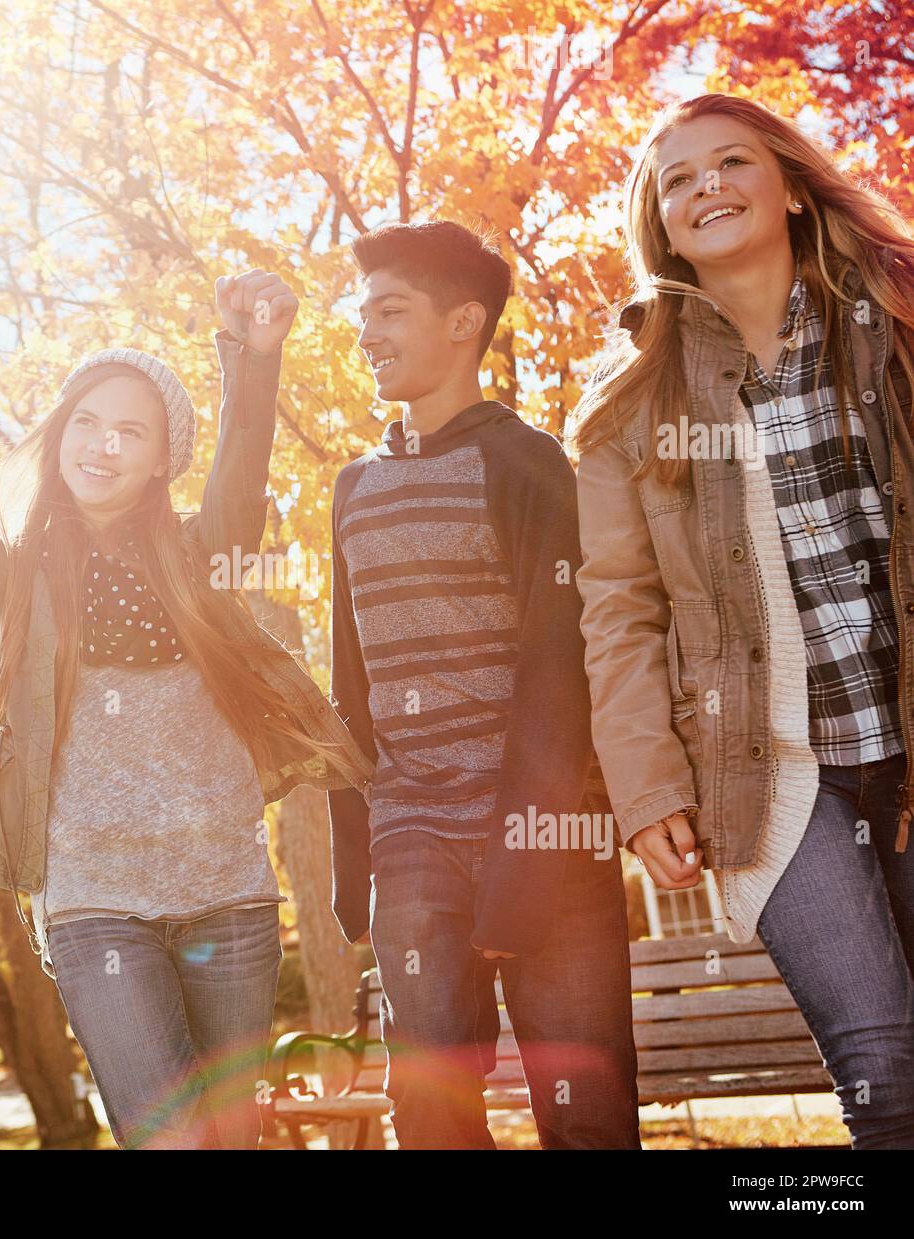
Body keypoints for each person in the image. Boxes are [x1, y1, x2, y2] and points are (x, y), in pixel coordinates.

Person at [0, 272, 374, 1149]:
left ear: (164, 457)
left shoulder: (202, 557)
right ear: (59, 437)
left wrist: (256, 356)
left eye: (131, 430)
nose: (103, 444)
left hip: (226, 891)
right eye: (87, 423)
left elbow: (243, 479)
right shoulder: (20, 582)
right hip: (94, 899)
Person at [572, 93, 914, 1149]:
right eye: (677, 180)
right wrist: (643, 790)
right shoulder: (628, 410)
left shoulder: (896, 329)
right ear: (660, 224)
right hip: (770, 775)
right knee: (883, 1066)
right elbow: (616, 610)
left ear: (793, 191)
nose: (706, 186)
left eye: (730, 162)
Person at [327, 220, 640, 1149]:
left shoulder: (525, 460)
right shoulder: (352, 486)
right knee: (429, 1116)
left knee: (586, 1114)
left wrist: (522, 857)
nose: (367, 332)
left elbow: (560, 667)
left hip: (547, 836)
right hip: (412, 833)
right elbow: (353, 678)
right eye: (361, 313)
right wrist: (356, 851)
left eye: (391, 310)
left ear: (464, 322)